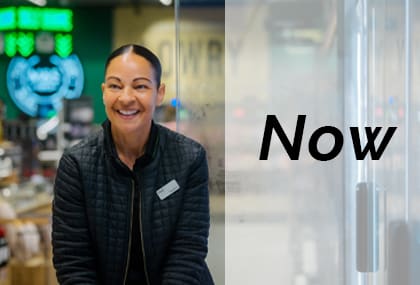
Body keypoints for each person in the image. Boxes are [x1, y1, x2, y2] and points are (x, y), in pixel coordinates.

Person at [52, 44, 214, 285]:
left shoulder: (189, 158)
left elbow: (188, 252)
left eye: (140, 86)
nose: (126, 98)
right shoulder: (76, 164)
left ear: (159, 93)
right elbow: (73, 261)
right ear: (104, 92)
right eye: (116, 86)